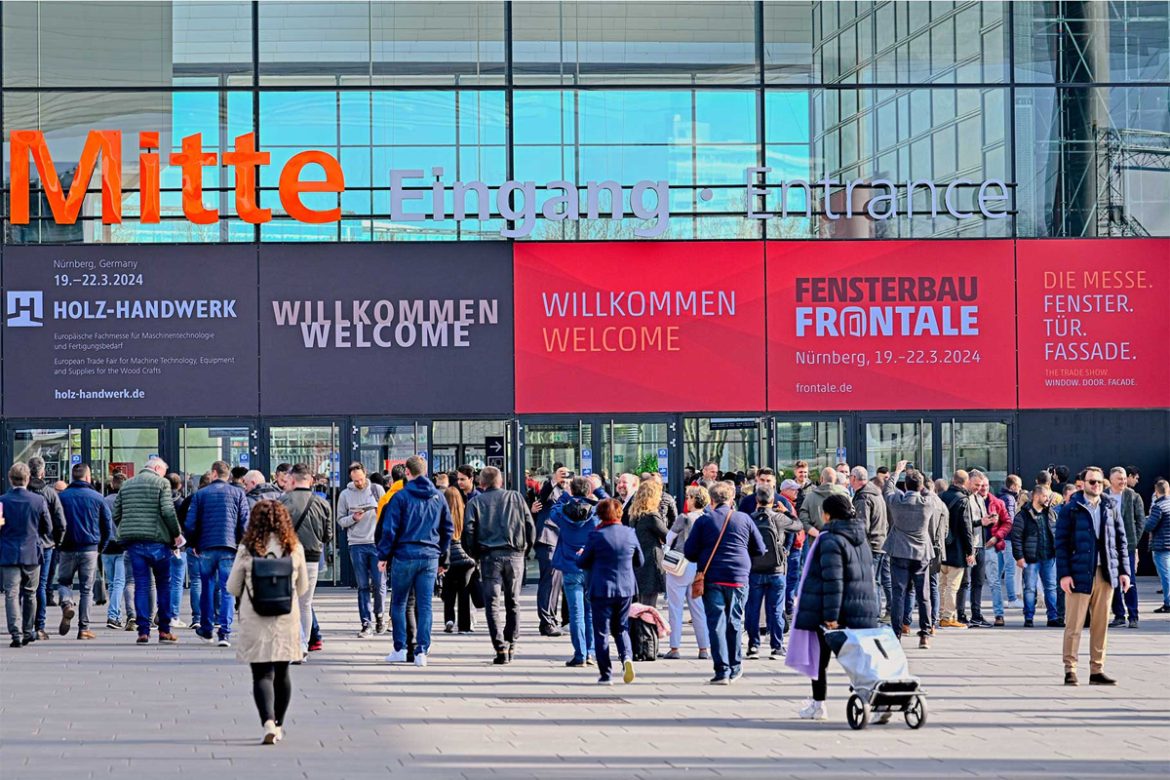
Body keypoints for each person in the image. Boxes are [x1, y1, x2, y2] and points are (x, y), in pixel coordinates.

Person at [226, 500, 310, 745]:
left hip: (255, 617)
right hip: (285, 617)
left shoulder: (247, 548)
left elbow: (232, 586)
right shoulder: (293, 548)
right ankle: (280, 724)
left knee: (261, 674)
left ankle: (268, 723)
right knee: (283, 672)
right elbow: (302, 587)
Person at [794, 493, 879, 721]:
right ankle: (875, 700)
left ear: (827, 515)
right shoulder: (861, 537)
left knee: (819, 660)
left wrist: (831, 616)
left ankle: (818, 705)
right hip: (862, 608)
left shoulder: (830, 539)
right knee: (861, 661)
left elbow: (833, 580)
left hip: (835, 610)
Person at [684, 481, 766, 685]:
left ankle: (722, 671)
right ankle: (735, 667)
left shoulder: (704, 521)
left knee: (716, 623)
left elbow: (689, 552)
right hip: (738, 576)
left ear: (711, 501)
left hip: (712, 576)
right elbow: (760, 548)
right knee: (735, 621)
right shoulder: (744, 518)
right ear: (731, 499)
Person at [1056, 466, 1130, 686]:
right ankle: (1070, 669)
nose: (1096, 485)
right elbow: (1061, 544)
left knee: (1100, 625)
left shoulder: (1110, 506)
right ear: (1083, 484)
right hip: (1079, 573)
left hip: (1105, 574)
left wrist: (1124, 572)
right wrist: (1064, 574)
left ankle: (1097, 669)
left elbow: (1121, 542)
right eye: (1091, 482)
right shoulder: (1071, 508)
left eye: (1099, 481)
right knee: (1074, 625)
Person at [377, 456, 453, 668]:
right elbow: (447, 529)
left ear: (407, 473)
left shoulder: (400, 497)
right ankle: (422, 651)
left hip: (404, 555)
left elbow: (389, 530)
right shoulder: (438, 497)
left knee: (399, 603)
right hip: (429, 556)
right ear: (425, 471)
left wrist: (383, 556)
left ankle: (400, 648)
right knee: (425, 605)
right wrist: (441, 555)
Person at [462, 466, 535, 664]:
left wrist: (474, 554)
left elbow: (468, 530)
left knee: (492, 602)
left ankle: (500, 646)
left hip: (489, 556)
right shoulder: (516, 498)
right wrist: (526, 549)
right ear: (500, 481)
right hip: (514, 554)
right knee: (513, 600)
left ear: (481, 483)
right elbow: (529, 525)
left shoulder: (475, 502)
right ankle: (511, 641)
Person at [114, 457, 183, 644]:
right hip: (158, 543)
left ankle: (143, 631)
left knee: (141, 585)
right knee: (163, 585)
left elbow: (116, 514)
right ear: (158, 468)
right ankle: (164, 631)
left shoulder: (127, 485)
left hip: (135, 544)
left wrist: (127, 528)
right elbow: (168, 511)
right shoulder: (162, 483)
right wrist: (176, 534)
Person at [186, 460, 250, 648]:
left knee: (206, 588)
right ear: (227, 475)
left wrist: (194, 543)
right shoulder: (238, 493)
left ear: (214, 473)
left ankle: (207, 630)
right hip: (229, 547)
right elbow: (244, 522)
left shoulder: (200, 494)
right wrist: (241, 543)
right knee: (227, 589)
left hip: (206, 547)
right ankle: (225, 632)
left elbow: (190, 524)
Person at [578, 498, 642, 685]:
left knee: (601, 632)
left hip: (602, 589)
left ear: (600, 515)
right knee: (621, 627)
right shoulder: (630, 533)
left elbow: (582, 562)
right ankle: (627, 658)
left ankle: (606, 675)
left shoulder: (596, 535)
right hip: (625, 588)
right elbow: (640, 561)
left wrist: (582, 555)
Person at [55, 463, 115, 640]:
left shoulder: (61, 497)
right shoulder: (97, 497)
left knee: (64, 582)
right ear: (88, 477)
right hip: (89, 548)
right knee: (86, 590)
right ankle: (84, 629)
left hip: (67, 548)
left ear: (72, 477)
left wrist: (58, 544)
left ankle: (66, 603)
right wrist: (100, 548)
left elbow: (54, 523)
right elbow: (107, 527)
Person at [279, 464, 332, 658]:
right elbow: (327, 536)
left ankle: (291, 644)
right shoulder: (322, 504)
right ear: (310, 480)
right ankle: (303, 646)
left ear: (292, 480)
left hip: (288, 556)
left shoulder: (283, 501)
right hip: (312, 559)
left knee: (289, 602)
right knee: (306, 603)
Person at [881, 462, 935, 648]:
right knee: (923, 594)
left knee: (898, 594)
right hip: (921, 553)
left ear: (905, 485)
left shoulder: (897, 502)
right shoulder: (927, 503)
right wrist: (920, 479)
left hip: (899, 551)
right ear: (921, 486)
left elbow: (887, 489)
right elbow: (929, 490)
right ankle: (925, 634)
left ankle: (896, 634)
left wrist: (897, 471)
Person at [745, 485, 802, 660]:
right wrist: (787, 511)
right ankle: (776, 647)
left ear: (757, 500)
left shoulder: (749, 519)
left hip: (755, 569)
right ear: (772, 500)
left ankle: (753, 646)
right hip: (776, 570)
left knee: (753, 609)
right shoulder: (779, 518)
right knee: (776, 609)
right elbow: (798, 525)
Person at [1, 464, 53, 647]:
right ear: (28, 479)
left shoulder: (2, 501)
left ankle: (15, 633)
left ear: (10, 478)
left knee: (11, 594)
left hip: (8, 553)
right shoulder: (38, 501)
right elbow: (48, 527)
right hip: (31, 552)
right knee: (30, 593)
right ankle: (28, 629)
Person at [550, 476, 600, 667]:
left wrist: (566, 495)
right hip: (590, 567)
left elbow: (553, 510)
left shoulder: (562, 512)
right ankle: (591, 652)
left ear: (572, 491)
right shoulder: (595, 513)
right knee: (590, 612)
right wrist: (596, 492)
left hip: (570, 567)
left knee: (576, 613)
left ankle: (580, 654)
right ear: (589, 491)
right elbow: (609, 505)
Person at [337, 463, 387, 638]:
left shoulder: (377, 490)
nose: (359, 483)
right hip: (356, 544)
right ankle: (366, 623)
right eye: (355, 481)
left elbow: (387, 514)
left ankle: (379, 615)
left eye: (361, 479)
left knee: (379, 583)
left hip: (376, 543)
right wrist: (353, 518)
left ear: (365, 474)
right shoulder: (345, 495)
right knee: (363, 585)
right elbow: (340, 520)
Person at [663, 485, 710, 660]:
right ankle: (704, 648)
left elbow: (669, 538)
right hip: (699, 568)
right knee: (698, 609)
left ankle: (675, 648)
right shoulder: (708, 519)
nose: (687, 500)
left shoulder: (683, 518)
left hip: (680, 565)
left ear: (693, 499)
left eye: (688, 497)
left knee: (675, 608)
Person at [27, 457, 66, 642]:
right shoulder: (50, 493)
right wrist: (56, 541)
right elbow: (60, 522)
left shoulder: (23, 491)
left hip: (26, 544)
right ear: (42, 473)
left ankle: (26, 624)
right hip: (46, 544)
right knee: (41, 585)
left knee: (26, 587)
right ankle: (40, 626)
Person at [1011, 485, 1061, 627]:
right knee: (1030, 588)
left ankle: (1053, 617)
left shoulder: (1050, 513)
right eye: (1045, 496)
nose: (1047, 499)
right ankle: (1028, 617)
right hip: (1030, 557)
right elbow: (1016, 537)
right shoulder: (1023, 515)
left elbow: (1056, 533)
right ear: (1037, 496)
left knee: (1051, 587)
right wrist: (1019, 557)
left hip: (1049, 556)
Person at [970, 471, 1012, 627]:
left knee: (994, 581)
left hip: (990, 546)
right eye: (981, 486)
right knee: (969, 582)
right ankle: (969, 614)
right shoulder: (970, 501)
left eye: (986, 486)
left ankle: (998, 614)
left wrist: (996, 538)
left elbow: (1007, 522)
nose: (983, 488)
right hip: (972, 546)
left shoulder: (997, 503)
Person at [532, 466, 570, 636]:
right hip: (548, 539)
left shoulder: (567, 493)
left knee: (556, 583)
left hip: (560, 542)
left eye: (567, 476)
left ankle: (551, 620)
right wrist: (554, 480)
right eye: (562, 475)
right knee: (549, 581)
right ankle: (547, 622)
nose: (565, 479)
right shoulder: (551, 490)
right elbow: (544, 494)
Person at [1106, 466, 1144, 629]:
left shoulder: (1133, 497)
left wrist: (1133, 541)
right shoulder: (1103, 496)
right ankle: (1119, 615)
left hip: (1127, 546)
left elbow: (1140, 521)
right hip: (1108, 546)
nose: (1123, 481)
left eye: (1123, 478)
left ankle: (1133, 616)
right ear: (1111, 479)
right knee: (1112, 580)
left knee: (1130, 580)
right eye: (1119, 479)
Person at [938, 471, 978, 628]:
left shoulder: (941, 496)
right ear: (966, 482)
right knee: (952, 586)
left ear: (953, 480)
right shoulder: (963, 500)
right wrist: (970, 551)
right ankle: (948, 617)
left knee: (942, 584)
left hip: (941, 547)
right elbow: (966, 527)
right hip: (957, 549)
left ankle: (941, 614)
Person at [850, 466, 890, 620]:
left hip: (870, 545)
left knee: (870, 582)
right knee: (876, 582)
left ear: (854, 478)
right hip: (880, 543)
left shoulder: (863, 497)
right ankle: (875, 613)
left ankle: (872, 614)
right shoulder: (876, 493)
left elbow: (862, 526)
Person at [441, 487, 476, 635]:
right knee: (464, 591)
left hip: (449, 556)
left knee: (448, 589)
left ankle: (449, 619)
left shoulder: (443, 513)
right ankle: (464, 625)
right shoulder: (465, 511)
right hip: (465, 557)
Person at [628, 480, 668, 608]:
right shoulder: (652, 517)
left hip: (638, 563)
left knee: (640, 603)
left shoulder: (634, 516)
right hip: (651, 563)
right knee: (649, 605)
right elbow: (667, 536)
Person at [101, 472, 131, 630]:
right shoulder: (127, 501)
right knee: (120, 582)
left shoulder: (104, 501)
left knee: (112, 583)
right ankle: (113, 615)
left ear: (112, 484)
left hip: (106, 546)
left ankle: (115, 615)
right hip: (121, 546)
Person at [1142, 480, 1170, 614]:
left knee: (1165, 576)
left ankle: (1168, 603)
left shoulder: (1158, 506)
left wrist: (1144, 519)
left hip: (1161, 545)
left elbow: (1148, 526)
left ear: (1156, 491)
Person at [798, 468, 848, 541]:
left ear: (821, 479)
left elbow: (803, 520)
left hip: (816, 541)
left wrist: (818, 534)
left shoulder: (810, 497)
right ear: (835, 479)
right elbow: (852, 516)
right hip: (841, 540)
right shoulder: (845, 496)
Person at [997, 475, 1024, 608]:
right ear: (1013, 486)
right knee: (1010, 570)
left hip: (1001, 537)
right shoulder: (1010, 499)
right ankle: (1012, 599)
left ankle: (997, 598)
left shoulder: (1002, 497)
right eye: (1019, 486)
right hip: (1008, 539)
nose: (1020, 489)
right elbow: (1010, 520)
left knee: (998, 571)